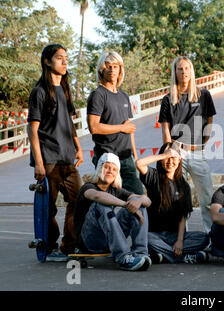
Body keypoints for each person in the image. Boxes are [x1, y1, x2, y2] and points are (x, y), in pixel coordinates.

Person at [27, 44, 83, 261]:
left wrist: (78, 147)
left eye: (66, 58)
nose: (65, 61)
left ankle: (68, 245)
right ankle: (48, 248)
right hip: (48, 159)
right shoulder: (39, 91)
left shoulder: (65, 88)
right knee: (48, 209)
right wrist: (39, 163)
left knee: (79, 200)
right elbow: (32, 129)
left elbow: (69, 121)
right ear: (47, 61)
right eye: (59, 58)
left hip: (68, 157)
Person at [159, 56, 216, 234]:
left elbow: (209, 119)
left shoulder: (203, 95)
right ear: (174, 72)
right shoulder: (168, 99)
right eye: (180, 69)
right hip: (177, 151)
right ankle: (179, 236)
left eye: (187, 68)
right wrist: (169, 150)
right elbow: (165, 126)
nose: (184, 72)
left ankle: (210, 235)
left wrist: (204, 141)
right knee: (177, 196)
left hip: (197, 151)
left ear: (192, 71)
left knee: (206, 196)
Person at [74, 153, 152, 271]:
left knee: (138, 203)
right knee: (101, 204)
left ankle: (141, 253)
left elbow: (148, 201)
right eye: (107, 167)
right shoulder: (88, 187)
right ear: (100, 168)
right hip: (90, 242)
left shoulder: (116, 190)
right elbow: (97, 196)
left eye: (114, 169)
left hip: (109, 241)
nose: (110, 171)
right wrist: (126, 204)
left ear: (117, 174)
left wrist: (138, 201)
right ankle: (124, 257)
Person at [136, 142, 210, 264]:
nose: (170, 161)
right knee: (144, 238)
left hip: (175, 235)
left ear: (180, 160)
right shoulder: (153, 177)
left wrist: (180, 241)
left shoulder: (183, 185)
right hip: (155, 235)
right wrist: (164, 155)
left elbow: (183, 216)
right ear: (161, 159)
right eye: (166, 157)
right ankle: (182, 258)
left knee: (204, 238)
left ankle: (164, 256)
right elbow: (139, 163)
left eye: (173, 157)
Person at [87, 51, 143, 195]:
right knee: (107, 200)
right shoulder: (97, 95)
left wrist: (135, 156)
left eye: (115, 66)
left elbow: (129, 128)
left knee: (137, 197)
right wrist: (121, 128)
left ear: (120, 70)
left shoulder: (124, 96)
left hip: (126, 158)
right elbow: (94, 127)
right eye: (108, 66)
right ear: (101, 70)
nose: (112, 69)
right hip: (106, 157)